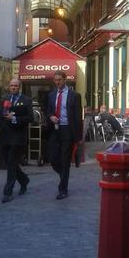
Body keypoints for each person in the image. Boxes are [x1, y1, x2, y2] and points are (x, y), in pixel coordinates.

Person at [0, 78, 33, 203]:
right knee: (8, 162)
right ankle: (24, 179)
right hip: (5, 136)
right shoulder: (5, 99)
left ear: (20, 87)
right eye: (11, 85)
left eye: (16, 86)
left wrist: (15, 118)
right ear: (9, 86)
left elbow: (30, 118)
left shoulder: (26, 100)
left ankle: (7, 192)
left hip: (18, 137)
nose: (13, 87)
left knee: (12, 162)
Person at [47, 70, 82, 200]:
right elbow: (48, 111)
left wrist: (78, 138)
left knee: (65, 159)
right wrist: (50, 117)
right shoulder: (51, 95)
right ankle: (64, 174)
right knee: (53, 158)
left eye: (59, 80)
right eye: (55, 80)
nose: (57, 82)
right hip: (55, 129)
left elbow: (78, 117)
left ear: (65, 79)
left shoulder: (74, 95)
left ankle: (63, 189)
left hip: (68, 129)